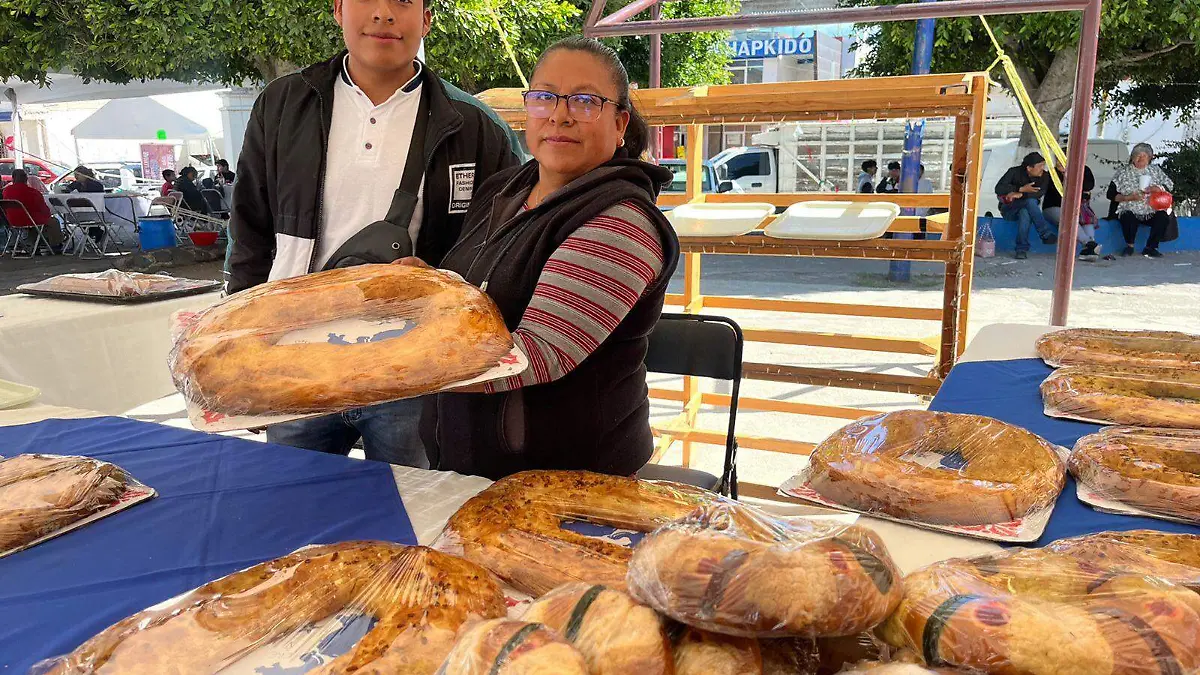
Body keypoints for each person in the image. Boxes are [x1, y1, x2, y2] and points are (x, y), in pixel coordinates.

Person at [228, 0, 522, 467]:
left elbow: (503, 240)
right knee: (292, 505)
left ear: (426, 19)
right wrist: (239, 345)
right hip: (295, 359)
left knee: (408, 510)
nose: (385, 13)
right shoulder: (284, 104)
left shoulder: (473, 124)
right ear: (338, 9)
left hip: (409, 370)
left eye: (404, 1)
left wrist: (444, 280)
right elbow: (250, 228)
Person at [412, 36, 679, 479]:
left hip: (568, 484)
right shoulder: (504, 191)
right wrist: (424, 287)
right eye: (544, 97)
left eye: (585, 100)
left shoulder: (622, 222)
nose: (559, 114)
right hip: (472, 472)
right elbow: (472, 295)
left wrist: (379, 365)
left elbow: (534, 354)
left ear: (619, 124)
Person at [1112, 142, 1174, 258]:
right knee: (1128, 216)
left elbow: (1169, 185)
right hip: (1130, 207)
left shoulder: (1155, 170)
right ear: (1132, 158)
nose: (1141, 159)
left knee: (1162, 217)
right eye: (1138, 156)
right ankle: (1129, 246)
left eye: (1144, 156)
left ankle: (1151, 247)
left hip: (1151, 208)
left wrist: (1157, 188)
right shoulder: (1123, 172)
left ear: (1149, 158)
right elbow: (1111, 195)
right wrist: (1129, 198)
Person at [994, 151, 1055, 259]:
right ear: (1029, 168)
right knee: (1030, 202)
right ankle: (1045, 233)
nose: (1042, 168)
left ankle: (1021, 250)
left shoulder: (1044, 176)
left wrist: (1020, 194)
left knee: (1025, 212)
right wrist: (1020, 189)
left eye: (1043, 165)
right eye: (1040, 166)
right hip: (1009, 209)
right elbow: (998, 188)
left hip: (1027, 209)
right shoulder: (1013, 172)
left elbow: (1039, 193)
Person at [1042, 161, 1099, 260]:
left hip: (1079, 207)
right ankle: (1089, 243)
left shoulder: (1083, 169)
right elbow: (1057, 194)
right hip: (1054, 207)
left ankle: (1089, 250)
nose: (1059, 164)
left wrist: (1069, 174)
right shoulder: (1052, 173)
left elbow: (1089, 186)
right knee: (1067, 217)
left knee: (1087, 220)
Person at [3, 169, 63, 254]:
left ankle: (34, 244)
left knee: (35, 223)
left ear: (12, 178)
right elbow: (44, 210)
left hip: (12, 221)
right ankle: (55, 246)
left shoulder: (6, 191)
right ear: (26, 179)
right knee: (54, 222)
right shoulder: (33, 192)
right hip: (30, 219)